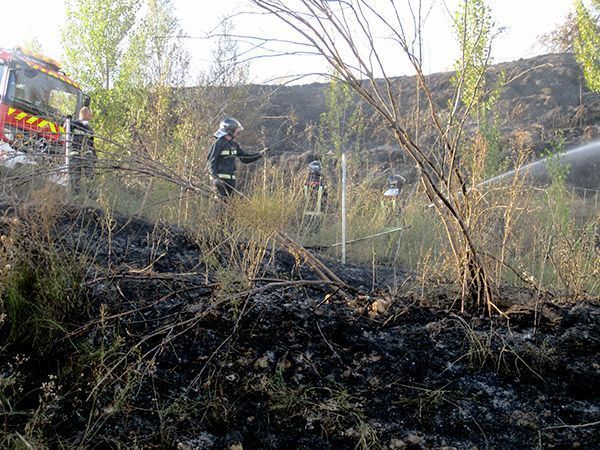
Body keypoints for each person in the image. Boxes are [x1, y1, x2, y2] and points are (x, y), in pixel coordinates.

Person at [206, 117, 268, 198]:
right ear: (230, 130)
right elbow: (211, 161)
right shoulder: (219, 143)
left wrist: (260, 154)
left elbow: (244, 158)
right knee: (220, 206)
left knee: (230, 206)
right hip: (221, 181)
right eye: (236, 129)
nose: (238, 132)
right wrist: (214, 178)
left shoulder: (234, 145)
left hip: (231, 181)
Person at [68, 106, 96, 196]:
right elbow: (65, 129)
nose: (90, 117)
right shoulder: (73, 124)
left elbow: (91, 144)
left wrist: (94, 157)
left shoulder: (90, 130)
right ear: (83, 113)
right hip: (75, 155)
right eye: (89, 114)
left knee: (90, 175)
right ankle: (76, 196)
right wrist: (67, 121)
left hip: (87, 157)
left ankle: (90, 194)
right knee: (75, 177)